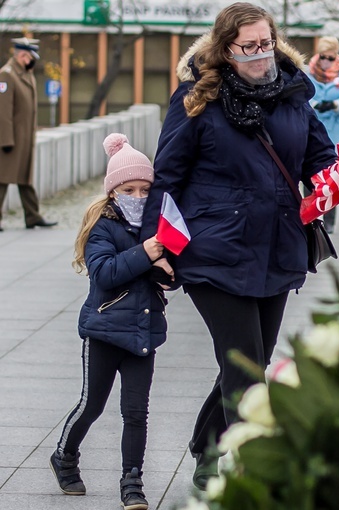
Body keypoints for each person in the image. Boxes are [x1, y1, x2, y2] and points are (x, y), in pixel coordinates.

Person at [138, 2, 337, 490]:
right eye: (249, 46)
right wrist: (154, 243)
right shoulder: (196, 99)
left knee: (253, 359)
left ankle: (205, 450)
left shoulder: (292, 95)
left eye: (266, 43)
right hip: (214, 249)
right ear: (226, 49)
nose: (261, 54)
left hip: (277, 247)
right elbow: (168, 177)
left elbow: (322, 157)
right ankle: (260, 474)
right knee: (243, 365)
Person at [50, 133, 173, 510]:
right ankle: (65, 455)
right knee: (92, 405)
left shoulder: (156, 227)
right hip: (104, 332)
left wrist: (168, 272)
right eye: (129, 189)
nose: (138, 197)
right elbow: (104, 273)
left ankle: (131, 481)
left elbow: (168, 272)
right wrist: (146, 252)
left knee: (136, 411)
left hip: (143, 332)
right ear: (113, 191)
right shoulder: (102, 226)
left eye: (144, 189)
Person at [0, 37, 58, 231]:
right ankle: (31, 216)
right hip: (11, 139)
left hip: (23, 138)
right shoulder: (7, 75)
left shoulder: (24, 74)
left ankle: (32, 216)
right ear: (23, 55)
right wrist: (6, 139)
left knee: (25, 179)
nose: (33, 61)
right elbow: (3, 111)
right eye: (31, 57)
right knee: (3, 179)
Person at [306, 35, 339, 234]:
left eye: (331, 57)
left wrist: (335, 104)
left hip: (336, 128)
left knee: (333, 173)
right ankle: (309, 211)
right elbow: (303, 96)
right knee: (309, 171)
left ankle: (330, 218)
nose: (327, 61)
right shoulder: (308, 73)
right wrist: (315, 105)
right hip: (313, 126)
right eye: (324, 57)